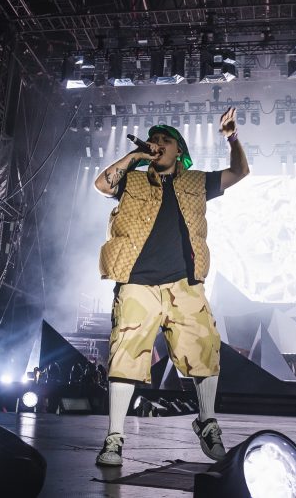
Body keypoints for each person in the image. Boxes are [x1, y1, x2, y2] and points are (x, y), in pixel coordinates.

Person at [93, 108, 249, 467]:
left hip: (184, 282)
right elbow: (102, 185)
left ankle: (207, 422)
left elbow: (240, 171)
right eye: (154, 140)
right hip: (137, 282)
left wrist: (232, 137)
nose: (158, 144)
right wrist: (134, 157)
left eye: (166, 140)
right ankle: (114, 438)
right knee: (125, 354)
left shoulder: (196, 182)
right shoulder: (132, 180)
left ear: (180, 150)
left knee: (204, 348)